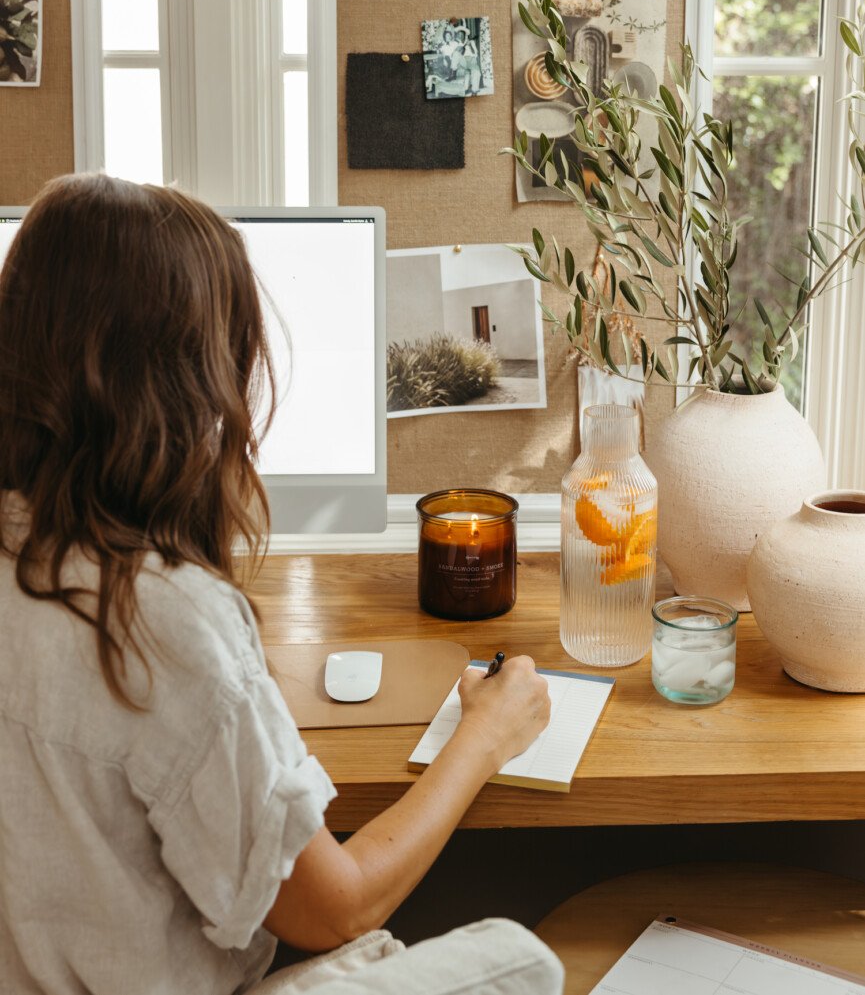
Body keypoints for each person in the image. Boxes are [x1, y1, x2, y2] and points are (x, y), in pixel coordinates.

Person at [0, 174, 552, 994]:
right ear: (187, 385)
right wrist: (485, 736)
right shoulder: (155, 617)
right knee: (522, 958)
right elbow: (337, 909)